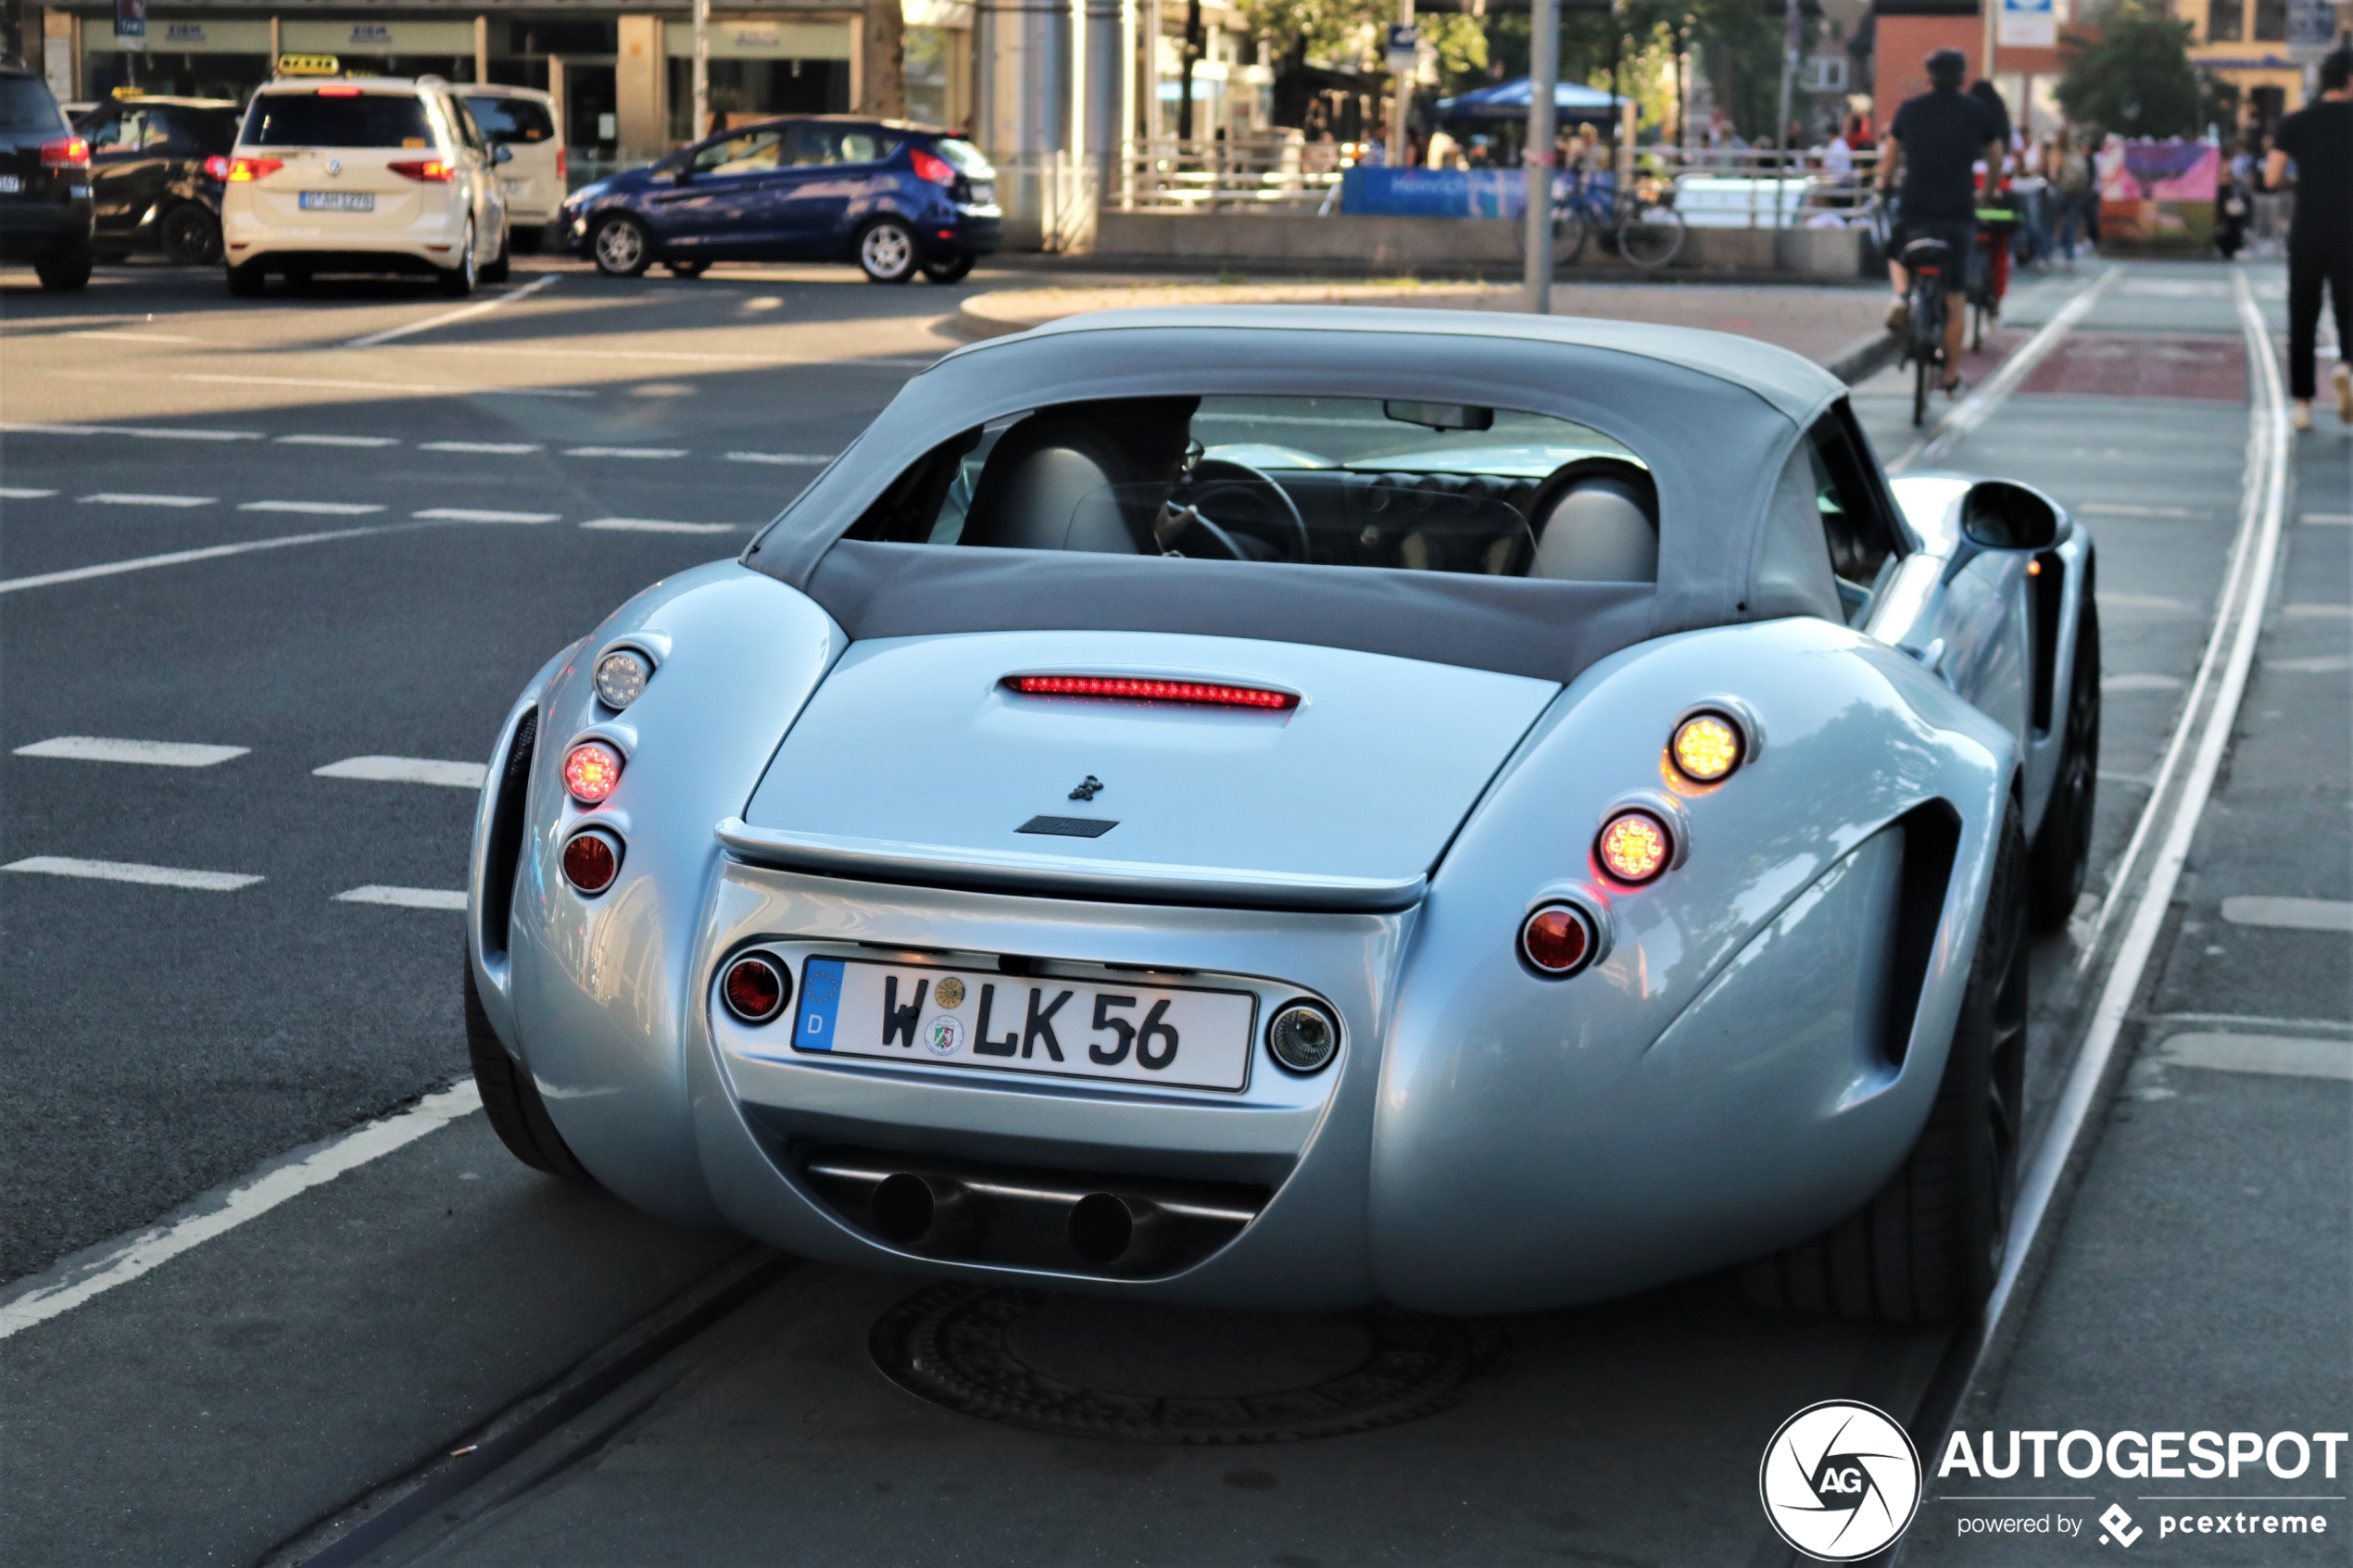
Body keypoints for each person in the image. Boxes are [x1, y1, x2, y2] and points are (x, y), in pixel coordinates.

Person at [1881, 48, 2005, 393]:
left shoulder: (1910, 110)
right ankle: (1949, 377)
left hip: (1914, 207)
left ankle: (1902, 296)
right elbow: (1996, 158)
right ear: (1963, 76)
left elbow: (1889, 158)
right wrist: (1989, 193)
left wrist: (1885, 185)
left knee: (1897, 249)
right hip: (1958, 212)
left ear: (1929, 76)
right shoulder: (1976, 111)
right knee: (1955, 298)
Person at [2268, 46, 2353, 430]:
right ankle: (2347, 366)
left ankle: (2302, 403)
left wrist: (2303, 182)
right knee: (2349, 309)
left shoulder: (2296, 123)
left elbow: (2271, 178)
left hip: (2308, 230)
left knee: (2302, 313)